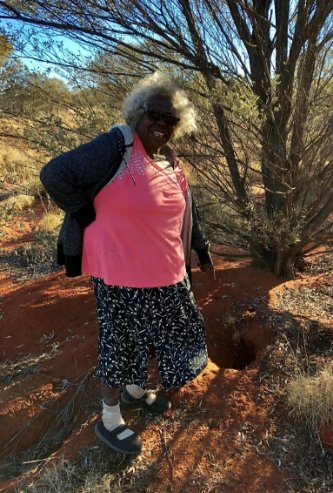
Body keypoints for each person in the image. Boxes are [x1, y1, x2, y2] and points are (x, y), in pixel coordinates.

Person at [40, 72, 214, 455]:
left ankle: (136, 392)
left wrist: (200, 250)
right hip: (119, 272)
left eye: (171, 120)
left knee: (159, 337)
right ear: (138, 113)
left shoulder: (170, 159)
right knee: (120, 344)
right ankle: (110, 418)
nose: (162, 124)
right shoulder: (117, 146)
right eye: (155, 114)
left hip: (167, 270)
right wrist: (84, 212)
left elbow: (187, 211)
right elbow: (54, 174)